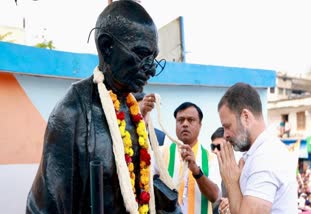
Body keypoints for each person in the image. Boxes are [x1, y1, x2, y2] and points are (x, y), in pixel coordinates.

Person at [26, 1, 169, 213]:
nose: (151, 70)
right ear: (106, 47)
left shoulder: (132, 109)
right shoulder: (72, 113)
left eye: (153, 58)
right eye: (141, 54)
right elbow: (44, 208)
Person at [215, 82, 298, 213]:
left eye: (227, 126)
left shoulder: (266, 156)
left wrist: (231, 182)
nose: (225, 135)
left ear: (246, 117)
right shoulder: (255, 154)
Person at [161, 102, 221, 214]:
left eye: (190, 120)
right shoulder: (161, 153)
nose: (185, 124)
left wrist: (196, 171)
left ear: (200, 125)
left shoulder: (211, 158)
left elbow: (215, 196)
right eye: (180, 120)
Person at [210, 127, 229, 214]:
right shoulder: (207, 169)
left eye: (219, 147)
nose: (215, 151)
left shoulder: (241, 170)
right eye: (213, 147)